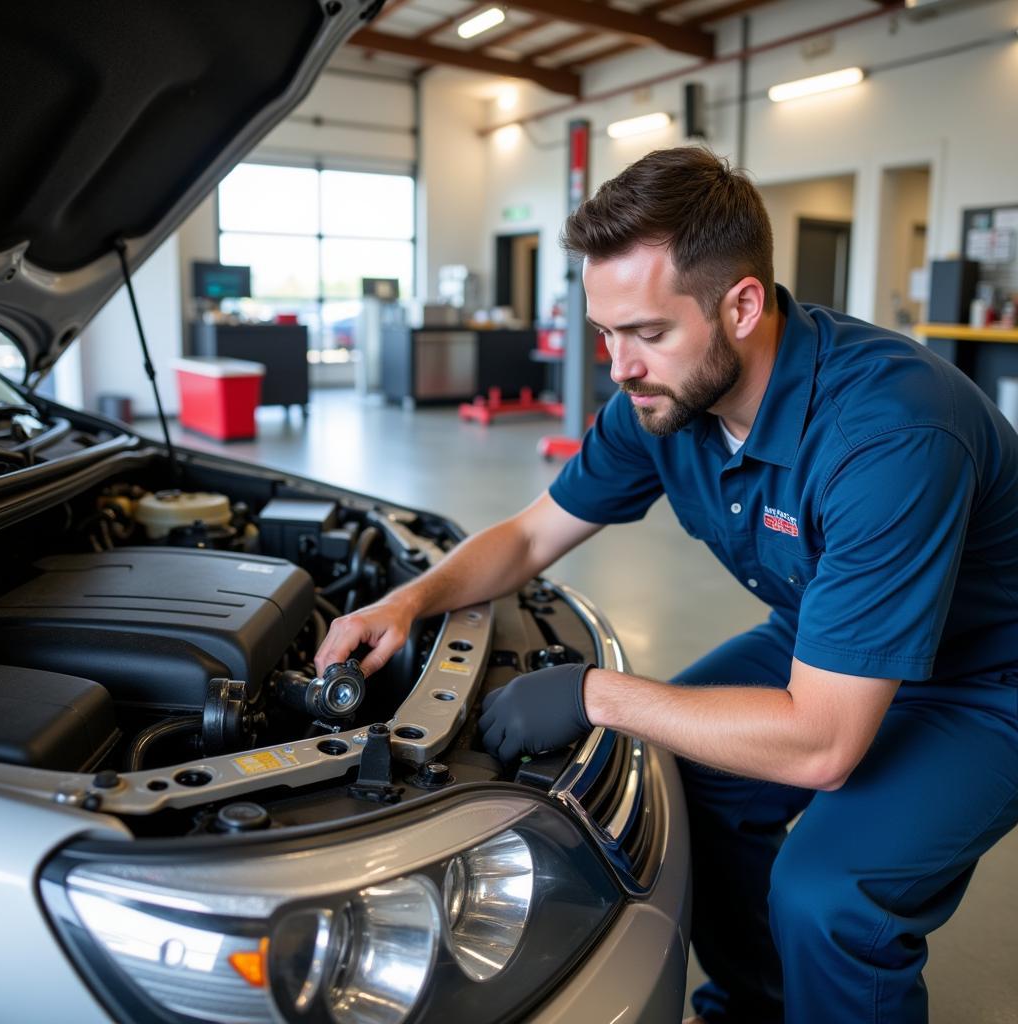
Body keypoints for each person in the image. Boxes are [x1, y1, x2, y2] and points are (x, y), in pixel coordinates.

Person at [315, 146, 1018, 1024]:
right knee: (679, 770)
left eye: (647, 334)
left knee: (829, 898)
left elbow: (824, 745)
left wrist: (596, 692)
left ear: (744, 304)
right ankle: (756, 1004)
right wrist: (408, 598)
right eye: (607, 334)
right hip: (833, 634)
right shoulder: (662, 405)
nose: (619, 366)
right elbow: (534, 532)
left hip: (987, 676)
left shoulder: (890, 434)